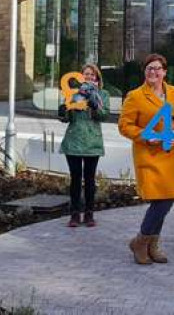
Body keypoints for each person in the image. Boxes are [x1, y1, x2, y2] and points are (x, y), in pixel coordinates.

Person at [118, 53, 174, 265]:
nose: (153, 72)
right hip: (150, 156)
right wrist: (145, 135)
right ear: (145, 72)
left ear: (164, 72)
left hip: (171, 156)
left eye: (157, 68)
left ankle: (151, 244)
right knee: (160, 202)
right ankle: (141, 242)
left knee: (167, 200)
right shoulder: (135, 96)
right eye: (149, 68)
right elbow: (125, 126)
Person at [58, 63, 109, 228]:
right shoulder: (73, 94)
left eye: (92, 74)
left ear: (97, 78)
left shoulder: (103, 94)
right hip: (73, 141)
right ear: (80, 77)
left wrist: (95, 105)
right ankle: (74, 215)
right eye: (86, 74)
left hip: (92, 142)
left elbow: (104, 115)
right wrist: (62, 112)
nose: (89, 77)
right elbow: (67, 118)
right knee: (75, 179)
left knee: (89, 180)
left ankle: (89, 214)